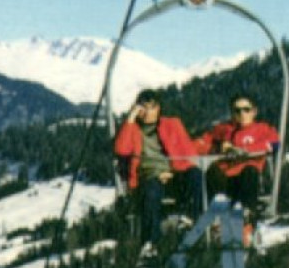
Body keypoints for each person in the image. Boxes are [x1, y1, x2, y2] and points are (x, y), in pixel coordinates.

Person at [112, 89, 203, 243]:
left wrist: (172, 171)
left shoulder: (172, 125)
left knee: (195, 174)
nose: (147, 112)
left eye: (152, 107)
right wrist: (130, 119)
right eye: (143, 107)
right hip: (148, 175)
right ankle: (151, 241)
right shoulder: (132, 129)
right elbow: (121, 149)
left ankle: (195, 218)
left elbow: (187, 152)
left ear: (158, 108)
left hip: (174, 172)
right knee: (151, 192)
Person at [199, 92, 280, 216]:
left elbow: (274, 144)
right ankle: (218, 213)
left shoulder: (262, 129)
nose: (242, 114)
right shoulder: (225, 129)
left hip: (246, 177)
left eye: (246, 110)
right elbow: (201, 143)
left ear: (254, 112)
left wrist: (245, 150)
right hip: (226, 177)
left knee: (250, 171)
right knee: (212, 171)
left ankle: (246, 215)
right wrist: (217, 148)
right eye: (237, 111)